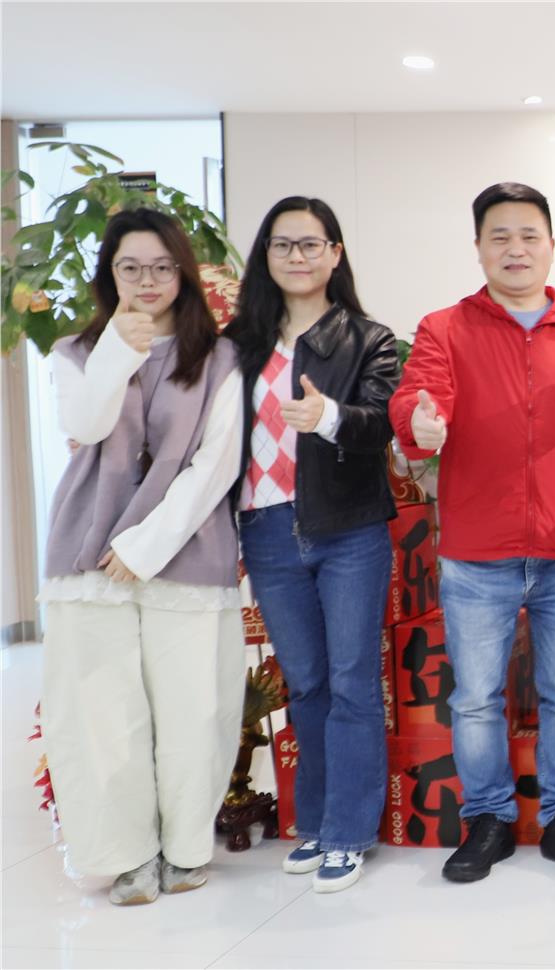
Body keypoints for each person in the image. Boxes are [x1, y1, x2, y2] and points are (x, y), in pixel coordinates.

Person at [389, 182, 555, 883]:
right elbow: (417, 402)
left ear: (551, 246)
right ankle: (488, 819)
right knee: (475, 699)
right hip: (477, 551)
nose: (515, 249)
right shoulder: (446, 329)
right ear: (478, 247)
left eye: (529, 235)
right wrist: (419, 425)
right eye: (500, 236)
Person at [40, 208, 245, 904]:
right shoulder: (74, 351)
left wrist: (143, 546)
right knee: (101, 714)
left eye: (162, 266)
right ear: (110, 275)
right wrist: (116, 351)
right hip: (87, 556)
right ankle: (128, 857)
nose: (148, 280)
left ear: (183, 273)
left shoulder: (219, 359)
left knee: (194, 708)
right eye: (131, 267)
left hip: (185, 550)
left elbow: (216, 464)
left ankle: (186, 847)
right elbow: (85, 424)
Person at [228, 196, 399, 891]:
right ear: (265, 255)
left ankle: (349, 833)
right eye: (282, 244)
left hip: (348, 529)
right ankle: (320, 822)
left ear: (335, 254)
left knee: (353, 681)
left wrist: (328, 416)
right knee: (306, 684)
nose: (296, 257)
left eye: (310, 244)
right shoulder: (237, 344)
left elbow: (382, 423)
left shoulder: (369, 338)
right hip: (267, 531)